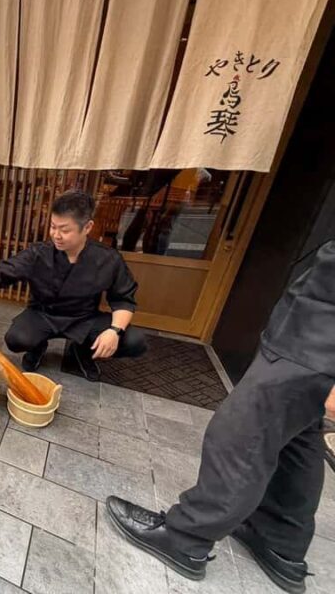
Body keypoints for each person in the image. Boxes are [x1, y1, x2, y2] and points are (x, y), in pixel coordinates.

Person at [106, 240, 335, 594]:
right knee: (299, 435)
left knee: (241, 433)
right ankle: (279, 539)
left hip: (319, 342)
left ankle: (185, 537)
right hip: (313, 323)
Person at [0, 189, 146, 381]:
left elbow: (123, 299)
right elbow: (1, 271)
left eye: (65, 230)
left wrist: (114, 331)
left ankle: (81, 351)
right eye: (52, 227)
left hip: (84, 318)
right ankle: (37, 347)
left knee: (134, 341)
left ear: (88, 227)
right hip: (43, 314)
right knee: (16, 339)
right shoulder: (39, 253)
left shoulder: (108, 259)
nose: (56, 235)